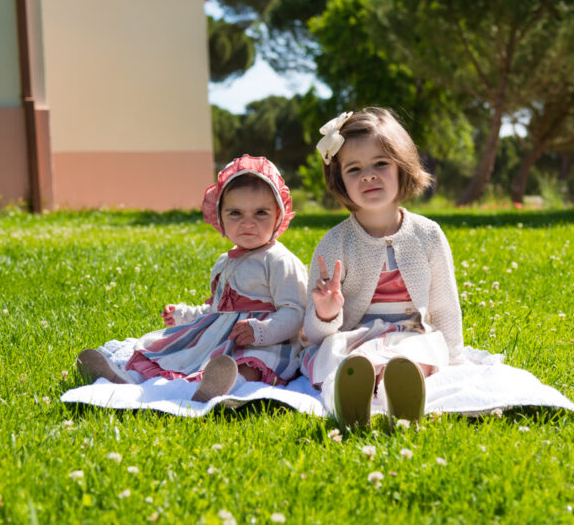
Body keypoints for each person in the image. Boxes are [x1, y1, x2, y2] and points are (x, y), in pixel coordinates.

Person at [76, 155, 308, 402]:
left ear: (278, 215)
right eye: (235, 213)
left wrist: (262, 331)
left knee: (253, 362)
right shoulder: (225, 261)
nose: (248, 223)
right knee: (173, 351)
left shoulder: (279, 260)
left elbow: (295, 310)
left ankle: (225, 386)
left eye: (260, 212)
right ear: (220, 217)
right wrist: (184, 315)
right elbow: (217, 310)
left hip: (265, 342)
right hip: (219, 338)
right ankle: (127, 378)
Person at [300, 108, 467, 429]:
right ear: (339, 179)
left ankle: (399, 390)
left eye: (380, 164)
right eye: (354, 168)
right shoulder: (335, 244)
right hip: (354, 337)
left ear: (402, 167)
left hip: (411, 335)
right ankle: (353, 396)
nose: (368, 176)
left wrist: (456, 360)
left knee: (419, 356)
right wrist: (325, 312)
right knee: (343, 360)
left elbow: (444, 304)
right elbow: (315, 333)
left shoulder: (428, 234)